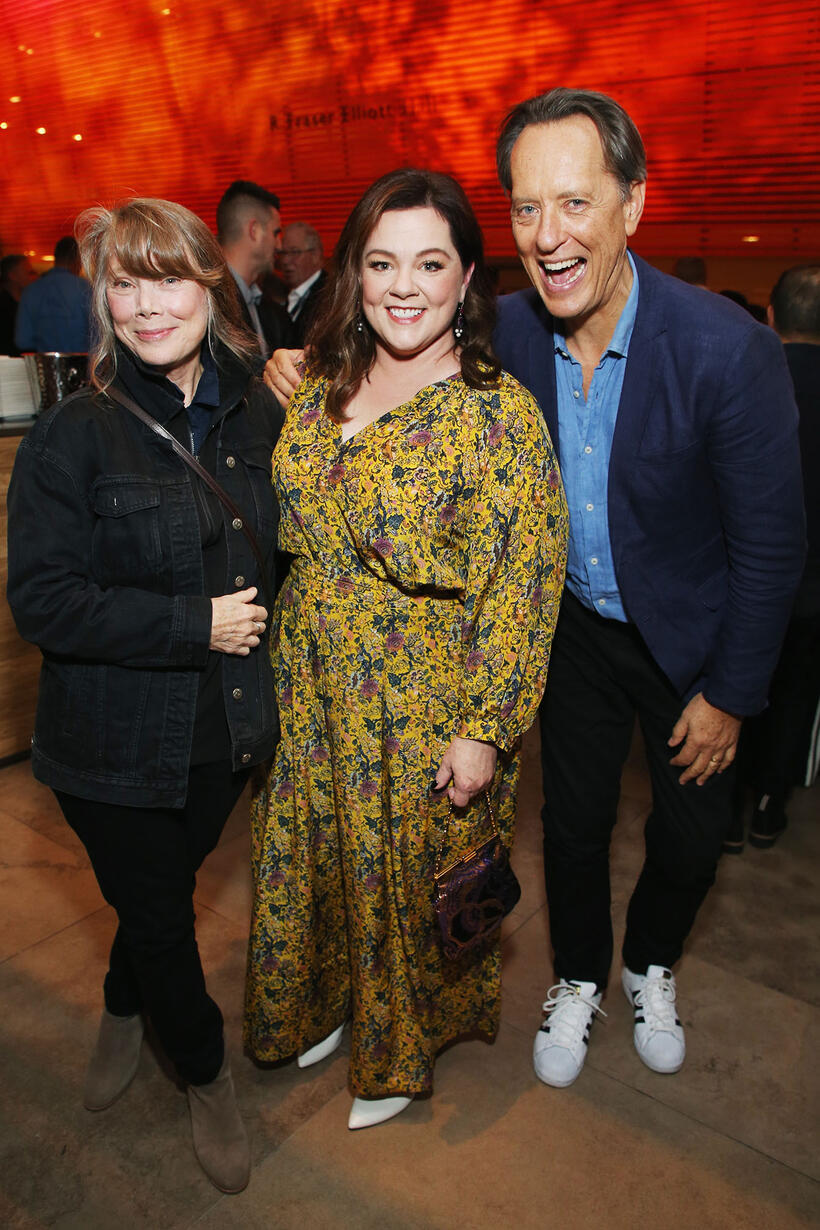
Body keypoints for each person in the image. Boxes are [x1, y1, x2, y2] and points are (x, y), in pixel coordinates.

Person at [490, 88, 806, 1087]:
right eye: (526, 208)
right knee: (571, 825)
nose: (548, 236)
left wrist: (731, 696)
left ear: (632, 203)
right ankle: (579, 974)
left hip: (692, 643)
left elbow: (771, 548)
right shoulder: (503, 332)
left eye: (574, 202)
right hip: (575, 631)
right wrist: (290, 366)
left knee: (692, 838)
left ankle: (650, 961)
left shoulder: (727, 350)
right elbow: (386, 341)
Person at [244, 168, 568, 1130]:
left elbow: (525, 580)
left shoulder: (497, 414)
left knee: (401, 873)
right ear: (354, 271)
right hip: (306, 675)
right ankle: (319, 1005)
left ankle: (397, 1050)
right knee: (309, 854)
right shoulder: (316, 382)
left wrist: (485, 729)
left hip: (423, 691)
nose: (403, 286)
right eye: (381, 262)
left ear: (467, 277)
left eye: (430, 264)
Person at [7, 198, 284, 1194]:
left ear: (209, 287)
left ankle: (124, 1002)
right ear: (104, 300)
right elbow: (44, 601)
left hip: (227, 730)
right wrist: (190, 623)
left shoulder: (258, 413)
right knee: (165, 919)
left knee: (151, 899)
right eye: (125, 284)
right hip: (109, 747)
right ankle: (204, 1073)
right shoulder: (72, 436)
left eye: (169, 279)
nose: (148, 305)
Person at [728, 264, 820, 849]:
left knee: (736, 692)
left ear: (770, 315)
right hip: (813, 588)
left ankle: (729, 812)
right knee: (795, 695)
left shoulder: (747, 375)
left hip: (743, 579)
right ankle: (769, 803)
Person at [216, 179, 286, 357]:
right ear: (254, 230)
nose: (279, 246)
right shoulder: (212, 302)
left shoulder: (263, 304)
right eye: (276, 233)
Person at [15, 235, 92, 354]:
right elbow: (99, 337)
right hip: (81, 362)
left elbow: (23, 341)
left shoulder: (31, 291)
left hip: (45, 362)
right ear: (77, 260)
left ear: (56, 258)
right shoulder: (85, 288)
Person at [277, 221, 328, 345]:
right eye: (282, 253)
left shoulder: (330, 295)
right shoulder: (278, 297)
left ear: (315, 255)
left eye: (294, 252)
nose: (285, 261)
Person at [0, 253, 36, 354]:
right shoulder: (3, 306)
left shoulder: (29, 303)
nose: (33, 277)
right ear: (13, 276)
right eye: (29, 273)